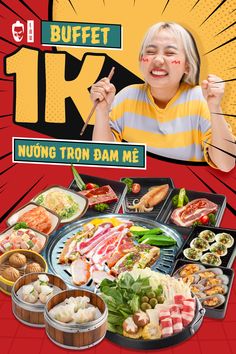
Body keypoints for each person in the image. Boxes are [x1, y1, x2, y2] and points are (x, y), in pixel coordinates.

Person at [91, 22, 235, 172]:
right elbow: (102, 160)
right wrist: (101, 110)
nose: (158, 60)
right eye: (151, 52)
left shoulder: (200, 99)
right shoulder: (127, 97)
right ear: (141, 59)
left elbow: (226, 164)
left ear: (187, 65)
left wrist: (215, 107)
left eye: (170, 53)